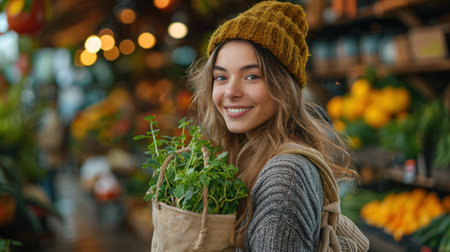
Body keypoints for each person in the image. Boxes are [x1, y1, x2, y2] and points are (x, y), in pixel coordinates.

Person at [187, 1, 367, 251]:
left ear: (283, 86)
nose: (230, 92)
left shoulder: (285, 177)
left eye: (252, 76)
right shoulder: (247, 156)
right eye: (221, 77)